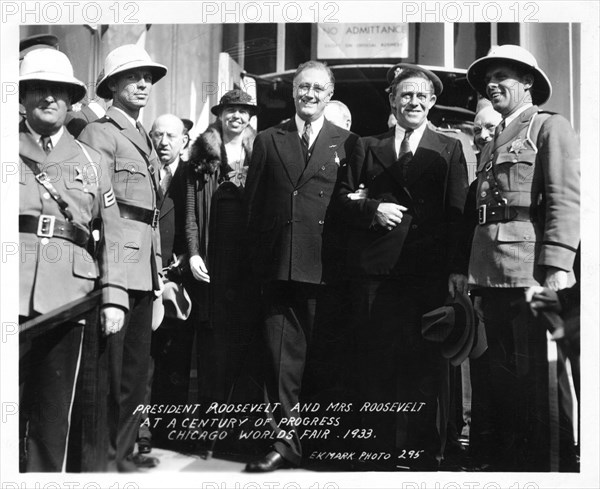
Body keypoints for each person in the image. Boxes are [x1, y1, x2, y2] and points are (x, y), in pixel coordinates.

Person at [335, 63, 469, 470]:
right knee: (376, 364)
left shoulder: (449, 148)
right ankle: (378, 452)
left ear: (432, 102)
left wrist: (455, 270)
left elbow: (458, 214)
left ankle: (423, 453)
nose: (413, 102)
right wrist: (373, 209)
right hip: (376, 272)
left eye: (421, 96)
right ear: (392, 100)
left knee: (423, 366)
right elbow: (342, 199)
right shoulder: (366, 145)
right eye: (405, 94)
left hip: (426, 274)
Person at [466, 44, 580, 471]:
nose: (493, 85)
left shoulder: (549, 127)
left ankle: (554, 468)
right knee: (505, 382)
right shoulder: (495, 136)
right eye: (488, 78)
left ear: (527, 81)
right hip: (492, 276)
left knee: (541, 383)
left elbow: (564, 200)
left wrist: (557, 266)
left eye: (503, 77)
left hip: (530, 274)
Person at [243, 61, 360, 472]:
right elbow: (254, 211)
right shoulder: (267, 140)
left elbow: (353, 210)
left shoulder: (348, 142)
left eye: (317, 88)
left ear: (330, 95)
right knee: (279, 363)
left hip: (327, 271)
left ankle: (324, 444)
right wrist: (258, 268)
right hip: (278, 268)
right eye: (302, 87)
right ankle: (282, 443)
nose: (309, 95)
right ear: (293, 92)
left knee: (325, 360)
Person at [18, 48, 128, 471]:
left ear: (71, 99)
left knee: (53, 419)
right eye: (38, 89)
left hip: (69, 299)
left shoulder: (93, 161)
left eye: (59, 91)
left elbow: (115, 233)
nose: (49, 98)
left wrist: (115, 294)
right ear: (23, 98)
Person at [78, 44, 167, 472]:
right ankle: (104, 459)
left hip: (144, 264)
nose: (145, 84)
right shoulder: (100, 131)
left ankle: (125, 452)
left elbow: (151, 214)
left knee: (135, 371)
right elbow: (100, 204)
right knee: (109, 373)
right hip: (116, 261)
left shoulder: (142, 133)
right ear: (112, 85)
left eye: (148, 77)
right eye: (134, 77)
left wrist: (159, 271)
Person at [137, 114, 191, 454]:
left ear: (185, 140)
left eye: (172, 135)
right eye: (158, 135)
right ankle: (141, 431)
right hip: (144, 276)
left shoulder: (193, 178)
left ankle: (170, 429)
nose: (164, 142)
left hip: (178, 278)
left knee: (176, 357)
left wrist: (183, 262)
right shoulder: (143, 173)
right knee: (143, 357)